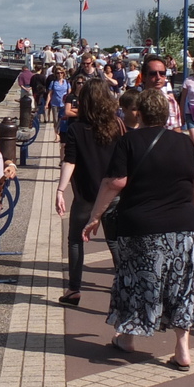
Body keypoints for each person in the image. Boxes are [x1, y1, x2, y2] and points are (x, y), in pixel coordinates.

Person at [80, 88, 194, 371]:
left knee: (135, 281)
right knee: (181, 285)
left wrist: (95, 216)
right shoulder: (184, 142)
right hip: (181, 227)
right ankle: (183, 348)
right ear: (165, 114)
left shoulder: (130, 141)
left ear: (139, 112)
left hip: (140, 225)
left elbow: (115, 183)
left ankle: (127, 337)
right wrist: (191, 206)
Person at [55, 78, 126, 305]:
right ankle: (125, 284)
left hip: (85, 194)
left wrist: (60, 190)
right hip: (112, 194)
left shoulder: (76, 129)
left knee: (75, 240)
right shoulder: (117, 126)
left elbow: (70, 162)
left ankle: (74, 289)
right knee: (114, 241)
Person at [140, 54, 182, 130]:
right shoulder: (135, 101)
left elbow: (176, 130)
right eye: (153, 74)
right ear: (144, 77)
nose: (158, 77)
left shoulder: (171, 101)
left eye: (162, 73)